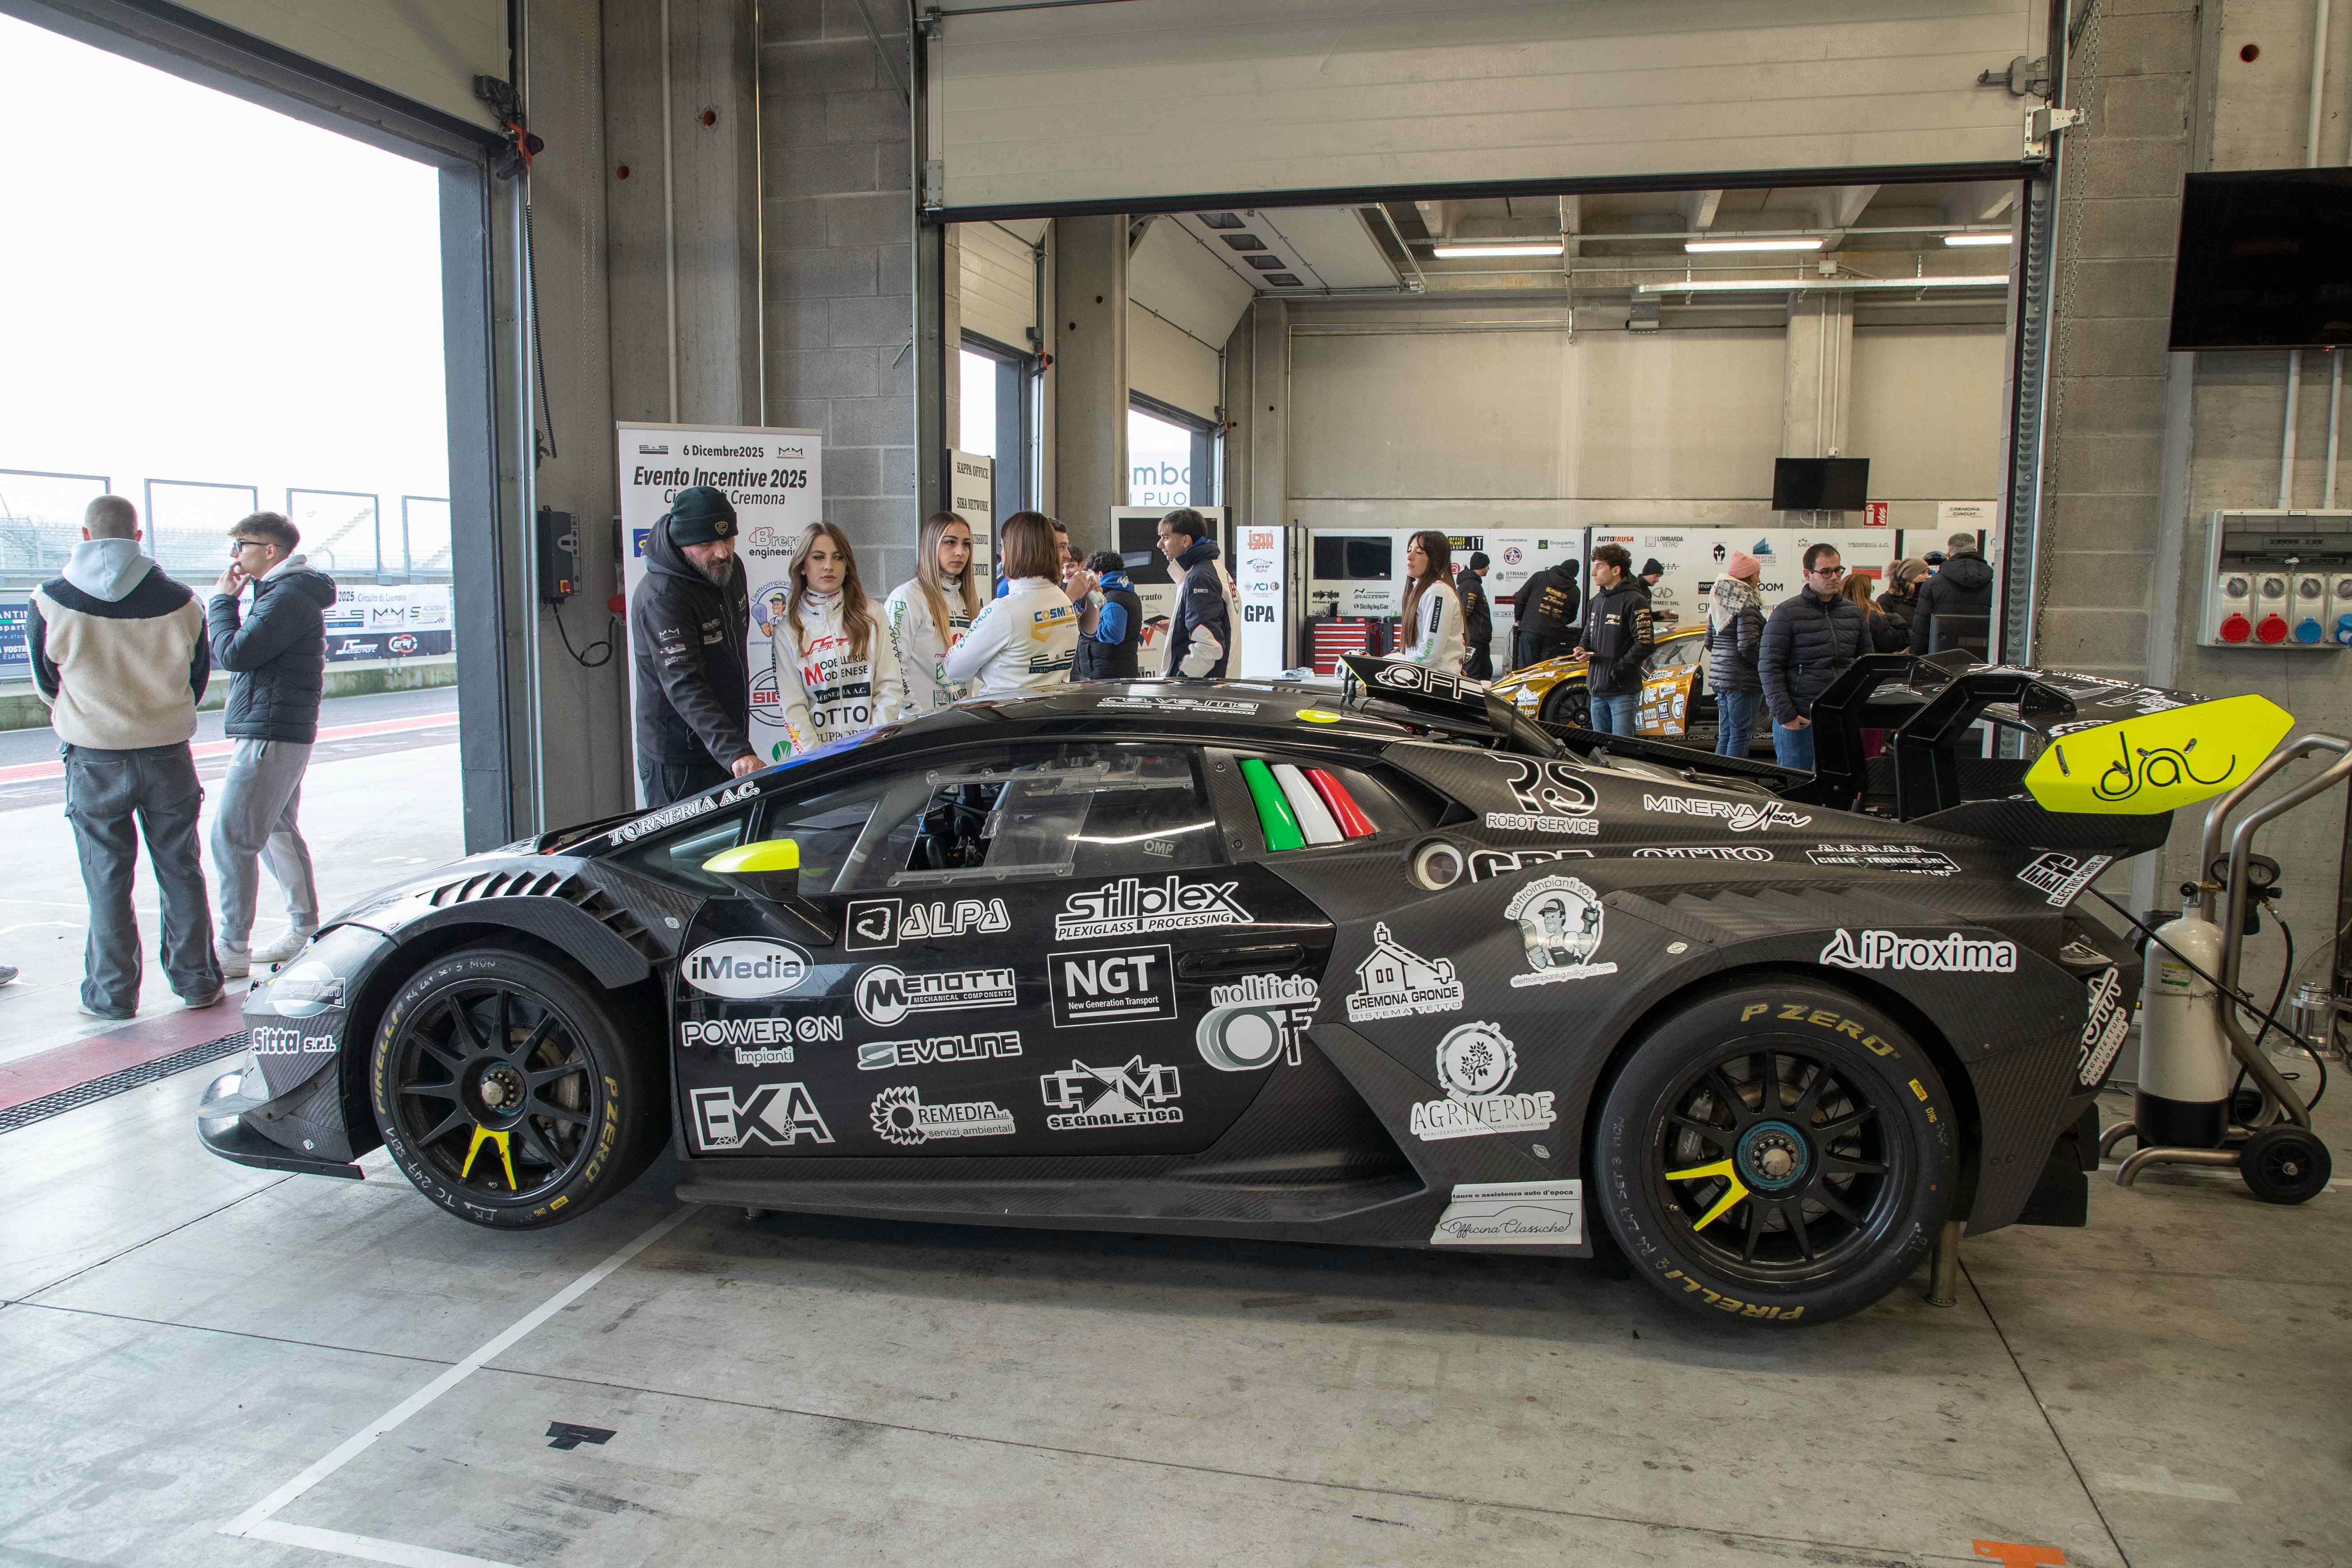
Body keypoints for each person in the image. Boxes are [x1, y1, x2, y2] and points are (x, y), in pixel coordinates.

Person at [27, 495, 222, 1017]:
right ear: (138, 537)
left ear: (84, 535)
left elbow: (47, 684)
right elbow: (197, 679)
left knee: (107, 877)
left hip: (94, 758)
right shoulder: (184, 602)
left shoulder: (49, 600)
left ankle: (111, 995)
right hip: (169, 755)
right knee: (181, 868)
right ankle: (198, 982)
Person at [205, 511, 333, 979]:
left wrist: (222, 602)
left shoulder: (285, 596)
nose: (235, 555)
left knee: (232, 836)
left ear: (270, 550)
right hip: (280, 726)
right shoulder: (286, 591)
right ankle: (304, 927)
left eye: (241, 544)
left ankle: (232, 946)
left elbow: (234, 653)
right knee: (277, 829)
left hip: (271, 729)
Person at [629, 484, 759, 804]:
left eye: (728, 539)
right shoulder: (662, 596)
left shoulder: (731, 569)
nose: (722, 553)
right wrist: (735, 751)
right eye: (706, 544)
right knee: (682, 840)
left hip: (725, 746)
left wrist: (734, 745)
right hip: (680, 759)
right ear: (682, 542)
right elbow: (684, 683)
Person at [771, 523, 901, 754]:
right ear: (802, 566)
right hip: (822, 760)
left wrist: (871, 748)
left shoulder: (873, 614)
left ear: (847, 566)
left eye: (838, 558)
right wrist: (818, 760)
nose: (829, 566)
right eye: (818, 557)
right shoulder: (787, 631)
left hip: (871, 754)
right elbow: (793, 709)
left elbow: (889, 687)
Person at [1759, 543, 1876, 772]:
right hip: (1801, 718)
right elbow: (1769, 667)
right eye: (1826, 572)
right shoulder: (1786, 613)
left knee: (1839, 783)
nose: (1834, 577)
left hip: (1841, 717)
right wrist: (1786, 715)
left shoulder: (1854, 614)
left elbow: (1867, 664)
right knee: (1798, 785)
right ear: (1807, 574)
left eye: (1838, 570)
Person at [945, 512, 1080, 697]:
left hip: (1005, 712)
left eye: (1003, 547)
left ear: (1014, 551)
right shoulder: (1063, 600)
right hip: (1051, 710)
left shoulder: (1004, 611)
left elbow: (955, 669)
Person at [885, 512, 979, 721]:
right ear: (931, 545)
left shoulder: (967, 599)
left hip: (960, 722)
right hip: (921, 726)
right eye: (950, 543)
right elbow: (894, 669)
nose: (960, 552)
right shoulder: (906, 597)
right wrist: (915, 720)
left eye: (966, 545)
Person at [1574, 543, 1652, 735]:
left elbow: (1645, 644)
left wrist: (1617, 669)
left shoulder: (1635, 600)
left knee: (1621, 747)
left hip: (1622, 692)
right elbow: (1588, 634)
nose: (1594, 573)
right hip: (1597, 690)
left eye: (1600, 567)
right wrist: (1583, 649)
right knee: (1601, 747)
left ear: (1616, 570)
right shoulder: (1596, 601)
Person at [1156, 508, 1237, 678]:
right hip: (1219, 681)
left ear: (1186, 541)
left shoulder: (1200, 577)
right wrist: (1178, 626)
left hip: (1202, 687)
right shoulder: (1212, 569)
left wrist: (1181, 679)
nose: (1160, 544)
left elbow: (1210, 646)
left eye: (1166, 537)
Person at [1704, 550, 1765, 758]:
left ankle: (1716, 776)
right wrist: (1763, 665)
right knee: (1741, 735)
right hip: (1743, 681)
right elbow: (1748, 645)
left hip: (1721, 679)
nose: (1759, 580)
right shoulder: (1747, 605)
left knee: (1726, 734)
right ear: (1747, 577)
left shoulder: (1718, 604)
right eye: (1757, 575)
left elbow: (1709, 643)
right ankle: (1731, 778)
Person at [1909, 531, 1996, 653]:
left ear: (1949, 553)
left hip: (1941, 656)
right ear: (1976, 550)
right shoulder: (1995, 587)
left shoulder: (1932, 585)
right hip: (1983, 656)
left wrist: (1917, 655)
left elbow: (1922, 628)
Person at [1395, 531, 1464, 674]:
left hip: (1434, 681)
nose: (1409, 557)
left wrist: (1399, 669)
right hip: (1423, 677)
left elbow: (1430, 651)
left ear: (1435, 558)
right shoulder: (1422, 590)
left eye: (1419, 552)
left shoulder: (1438, 591)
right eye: (1409, 550)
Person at [1074, 549, 1143, 680]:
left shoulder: (1112, 599)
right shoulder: (1126, 593)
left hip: (1109, 677)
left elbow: (1113, 634)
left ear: (1100, 575)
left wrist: (1086, 624)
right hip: (1113, 672)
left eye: (1090, 575)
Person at [1513, 557, 1580, 670]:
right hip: (1553, 634)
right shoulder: (1575, 591)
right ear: (1574, 575)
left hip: (1531, 629)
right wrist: (1558, 621)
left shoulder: (1540, 576)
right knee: (1545, 672)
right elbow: (1572, 616)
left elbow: (1520, 599)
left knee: (1526, 671)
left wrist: (1519, 619)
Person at [1458, 551, 1494, 679]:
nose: (1488, 568)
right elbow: (1465, 612)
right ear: (1481, 565)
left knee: (1485, 672)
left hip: (1479, 639)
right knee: (1472, 673)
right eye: (1487, 565)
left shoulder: (1473, 583)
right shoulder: (1471, 584)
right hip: (1474, 638)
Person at [1877, 558, 1930, 645]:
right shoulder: (1886, 600)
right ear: (1909, 575)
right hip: (1897, 651)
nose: (1928, 576)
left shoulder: (1927, 599)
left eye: (1928, 572)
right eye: (1922, 573)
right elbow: (1882, 632)